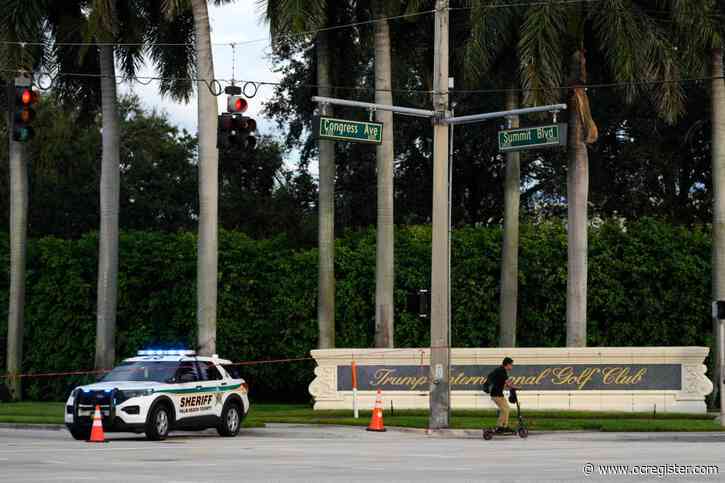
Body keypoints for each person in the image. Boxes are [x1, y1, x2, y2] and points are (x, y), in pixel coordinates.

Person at [488, 357, 514, 433]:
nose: (511, 367)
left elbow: (504, 384)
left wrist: (510, 385)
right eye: (511, 365)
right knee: (505, 410)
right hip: (496, 394)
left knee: (506, 409)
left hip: (498, 394)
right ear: (507, 364)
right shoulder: (502, 371)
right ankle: (501, 427)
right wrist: (516, 387)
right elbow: (508, 384)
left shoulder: (501, 370)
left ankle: (503, 426)